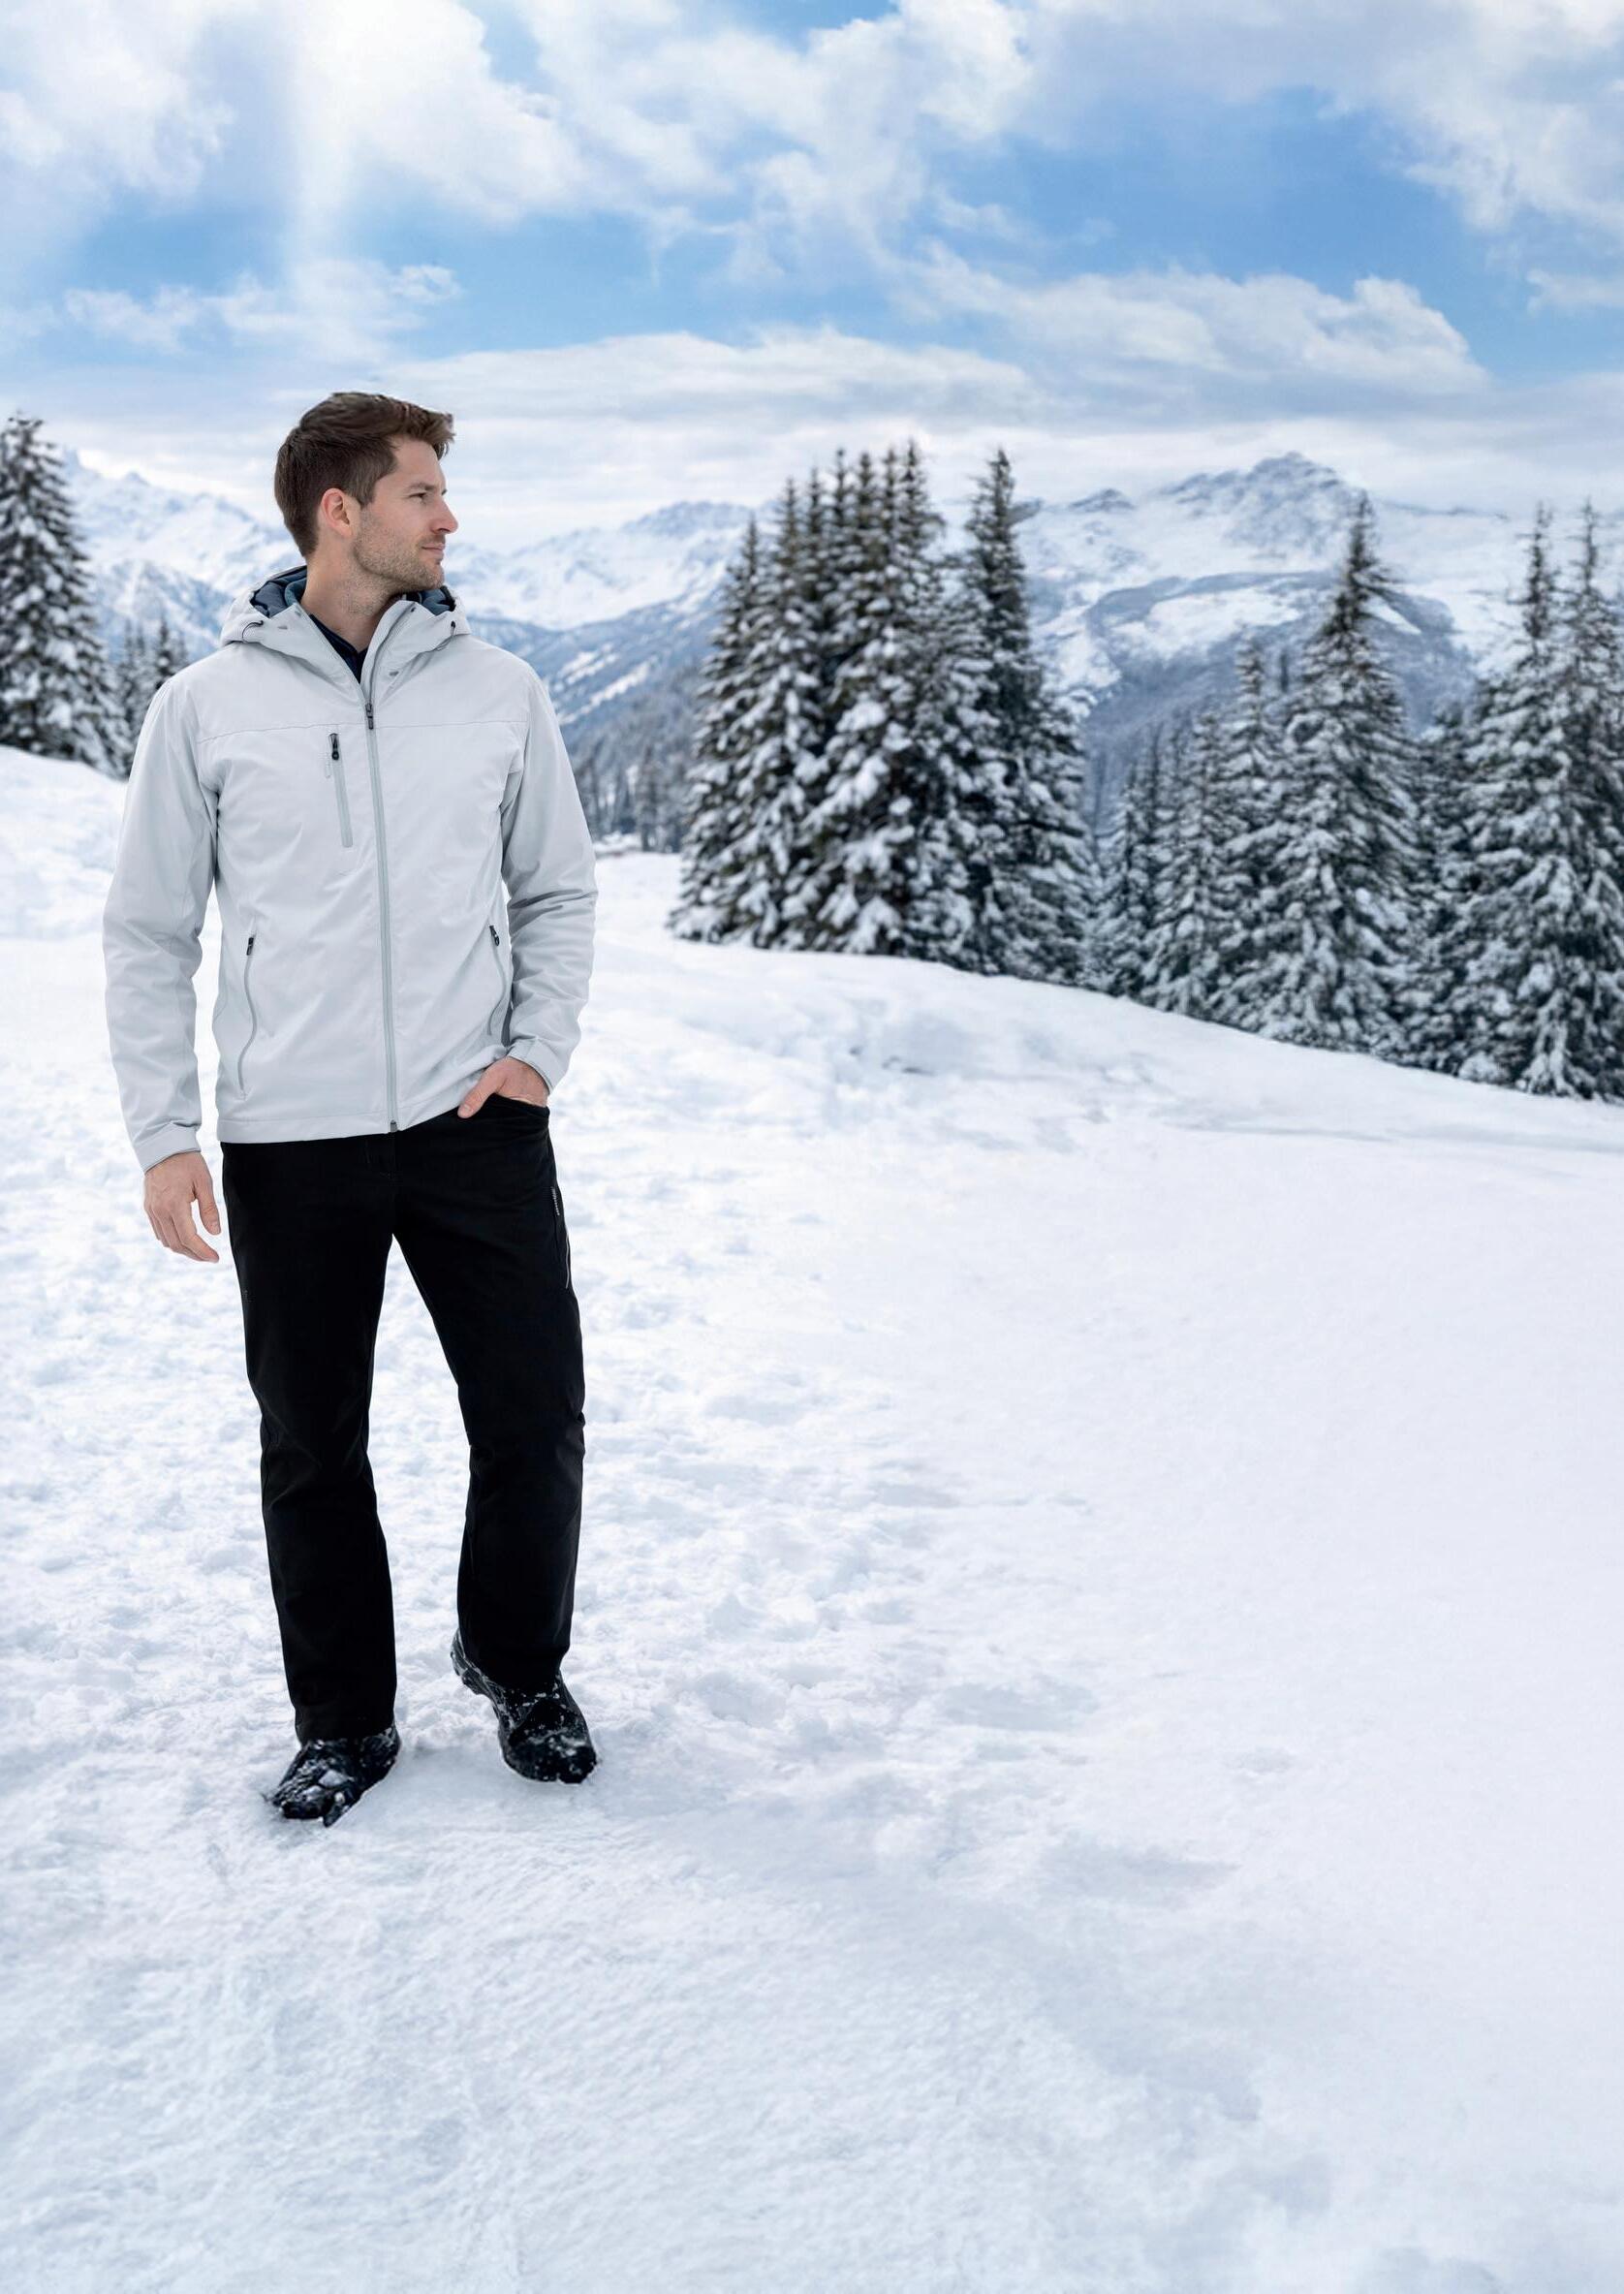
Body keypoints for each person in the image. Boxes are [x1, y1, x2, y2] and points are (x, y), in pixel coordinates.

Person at [102, 392, 600, 1827]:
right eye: (423, 492)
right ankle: (343, 1719)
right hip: (290, 1137)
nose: (450, 517)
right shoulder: (205, 708)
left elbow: (557, 889)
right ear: (342, 510)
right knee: (313, 1441)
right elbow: (150, 933)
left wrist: (535, 1054)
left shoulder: (499, 690)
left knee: (535, 1414)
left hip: (473, 1121)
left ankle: (518, 1664)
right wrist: (166, 1136)